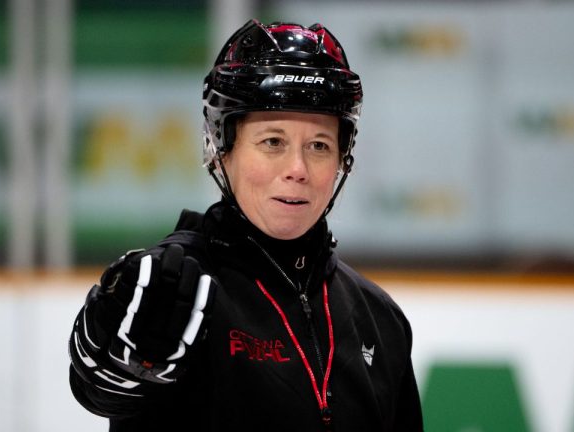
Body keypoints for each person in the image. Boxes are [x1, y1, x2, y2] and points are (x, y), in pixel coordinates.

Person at [68, 19, 424, 431]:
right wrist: (118, 366)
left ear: (342, 159)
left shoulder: (380, 320)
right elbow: (101, 392)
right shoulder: (175, 288)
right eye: (273, 142)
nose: (297, 169)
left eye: (319, 146)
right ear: (221, 149)